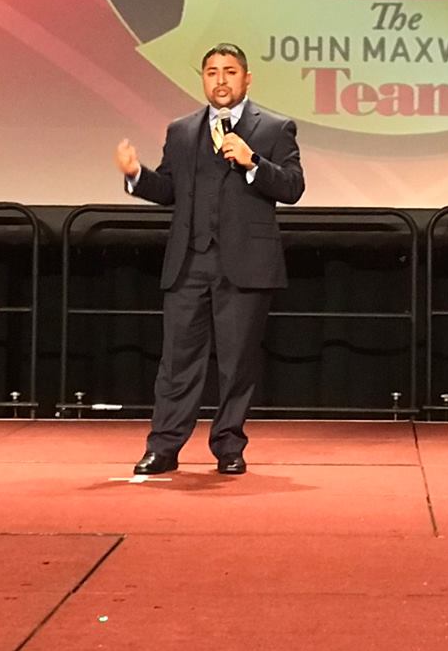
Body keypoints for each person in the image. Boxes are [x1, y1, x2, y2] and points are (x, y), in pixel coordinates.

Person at [113, 44, 304, 475]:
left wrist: (253, 162)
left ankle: (229, 446)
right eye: (212, 72)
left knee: (237, 363)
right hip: (188, 263)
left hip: (246, 264)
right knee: (177, 361)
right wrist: (135, 175)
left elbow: (293, 187)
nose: (221, 80)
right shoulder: (182, 131)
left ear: (247, 79)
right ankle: (163, 447)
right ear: (202, 78)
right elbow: (169, 190)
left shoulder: (273, 128)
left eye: (230, 71)